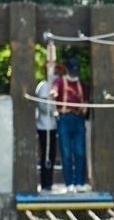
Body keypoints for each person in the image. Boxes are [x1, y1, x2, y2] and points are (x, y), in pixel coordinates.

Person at [51, 55, 90, 193]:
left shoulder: (81, 84)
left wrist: (85, 108)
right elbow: (53, 93)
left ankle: (79, 182)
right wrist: (53, 96)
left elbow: (85, 100)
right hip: (64, 118)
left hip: (78, 118)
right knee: (66, 152)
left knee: (80, 152)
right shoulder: (60, 82)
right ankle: (69, 184)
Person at [34, 64, 59, 193]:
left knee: (51, 155)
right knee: (46, 155)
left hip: (52, 126)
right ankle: (45, 184)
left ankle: (48, 183)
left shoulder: (54, 86)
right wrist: (54, 111)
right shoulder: (44, 86)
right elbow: (43, 106)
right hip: (44, 126)